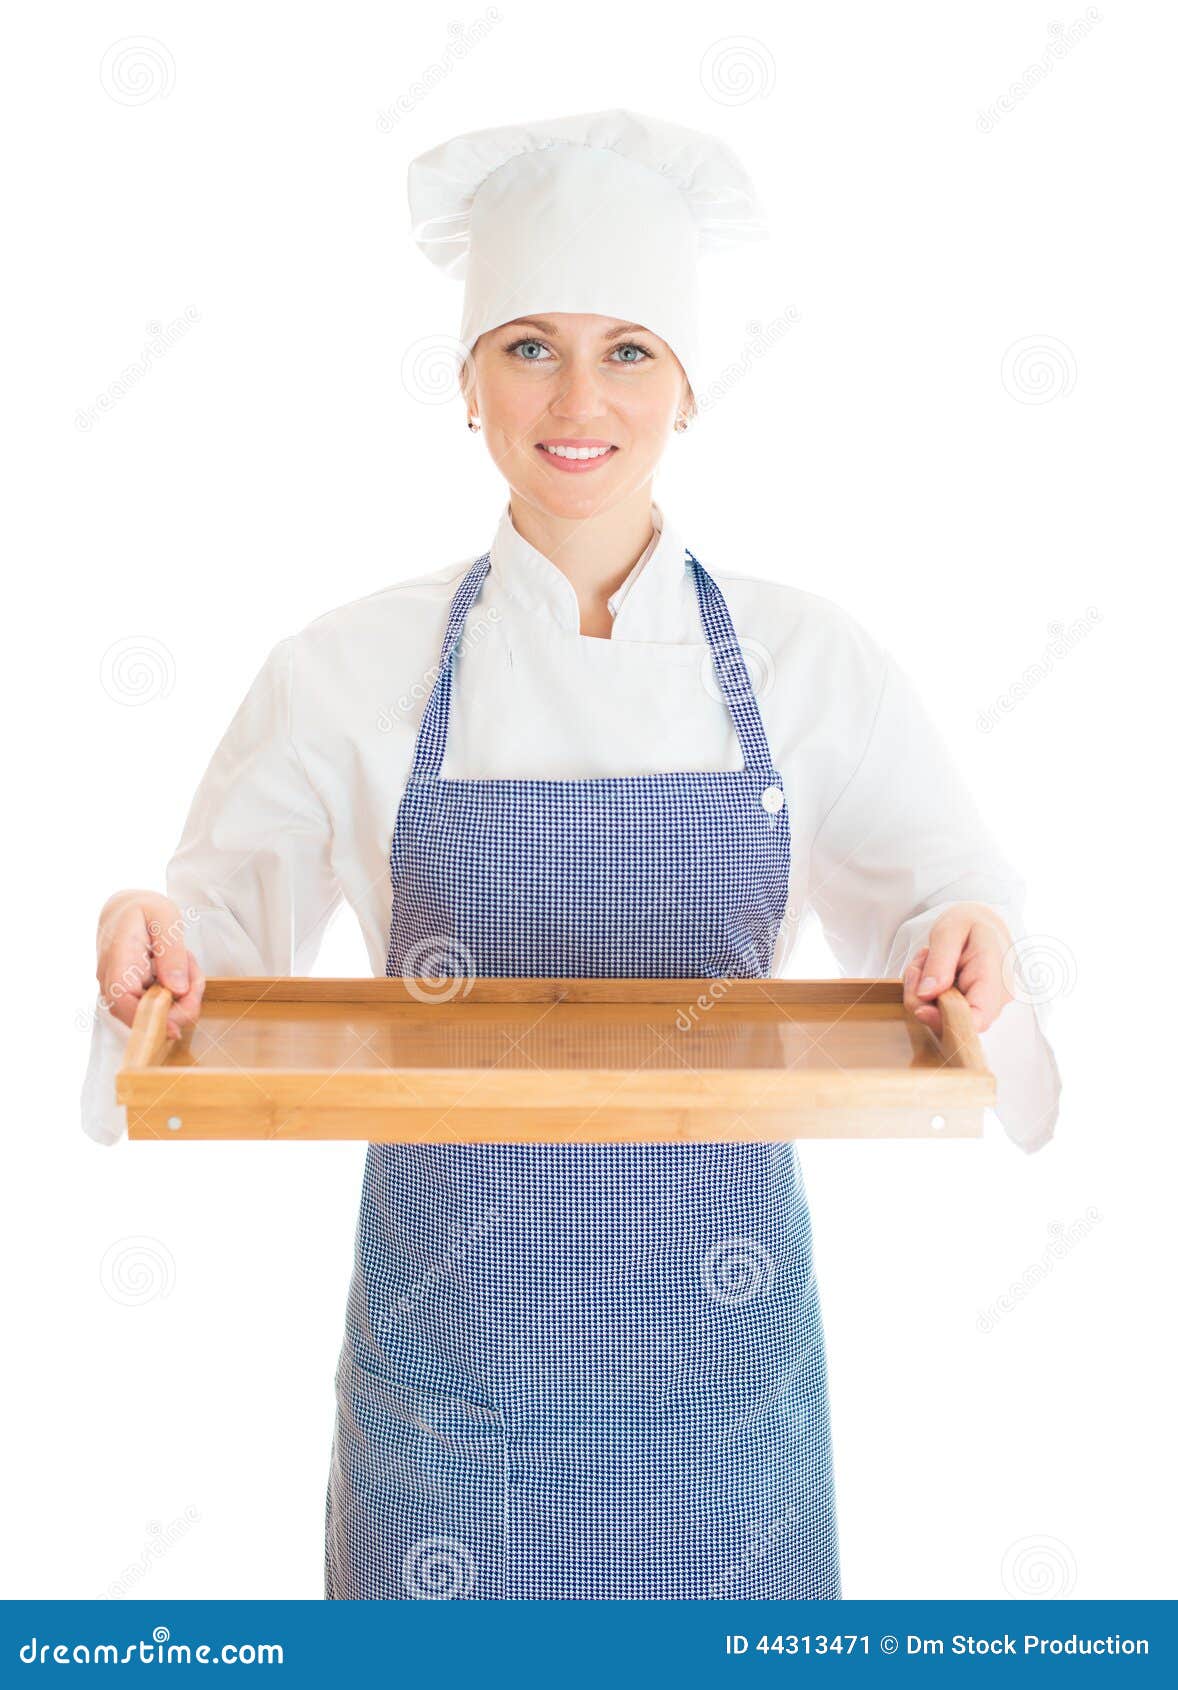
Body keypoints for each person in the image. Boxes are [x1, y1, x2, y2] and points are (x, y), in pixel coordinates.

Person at [84, 108, 1062, 1601]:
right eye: (527, 345)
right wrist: (157, 924)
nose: (575, 396)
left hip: (723, 1401)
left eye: (627, 349)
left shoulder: (809, 659)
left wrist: (970, 933)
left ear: (687, 379)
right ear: (465, 379)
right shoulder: (345, 668)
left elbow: (949, 901)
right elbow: (214, 941)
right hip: (448, 1386)